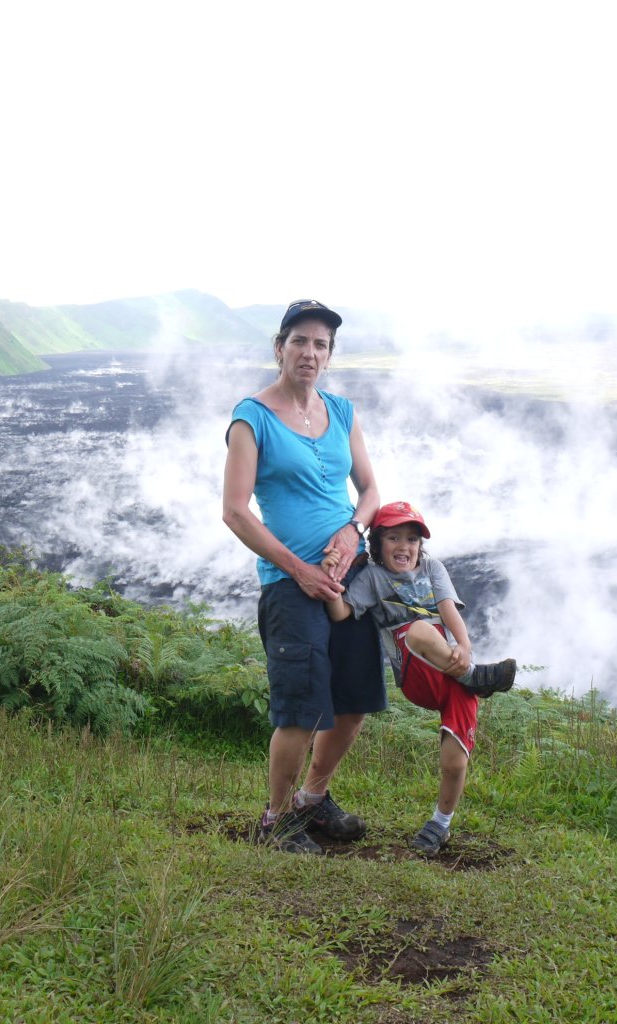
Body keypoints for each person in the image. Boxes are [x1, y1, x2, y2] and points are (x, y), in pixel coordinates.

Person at [222, 298, 386, 855]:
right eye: (300, 341)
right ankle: (277, 820)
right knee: (301, 705)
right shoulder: (252, 417)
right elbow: (236, 511)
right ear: (279, 347)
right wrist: (300, 570)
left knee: (354, 696)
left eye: (321, 344)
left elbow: (369, 492)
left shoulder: (342, 412)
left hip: (350, 575)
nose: (310, 352)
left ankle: (312, 800)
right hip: (290, 585)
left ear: (330, 354)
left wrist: (352, 533)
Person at [321, 500, 516, 855]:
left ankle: (439, 824)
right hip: (416, 672)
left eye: (411, 539)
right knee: (420, 631)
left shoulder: (433, 567)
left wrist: (465, 647)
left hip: (453, 671)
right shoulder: (372, 578)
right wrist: (331, 577)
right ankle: (477, 678)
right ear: (378, 544)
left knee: (454, 762)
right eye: (393, 538)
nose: (404, 546)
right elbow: (340, 612)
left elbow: (447, 606)